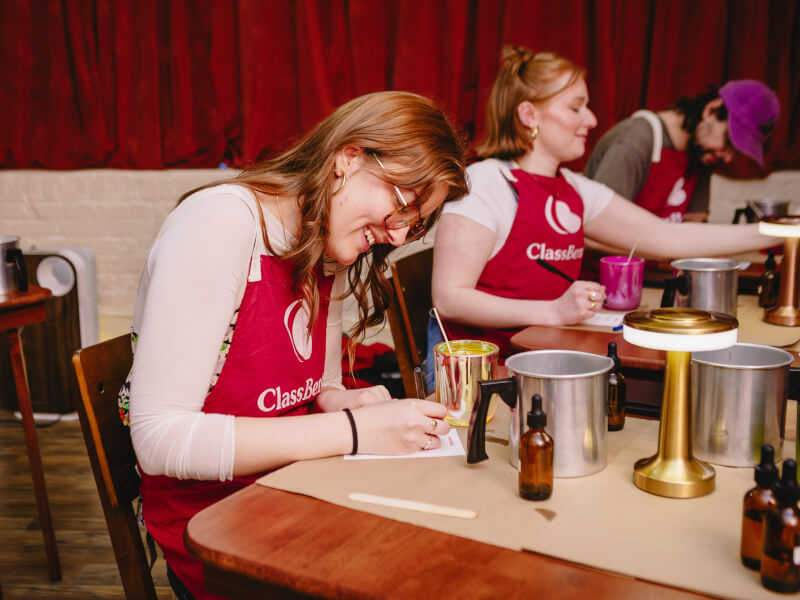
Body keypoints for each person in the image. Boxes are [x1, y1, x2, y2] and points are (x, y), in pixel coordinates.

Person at [122, 91, 467, 599]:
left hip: (295, 493)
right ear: (348, 159)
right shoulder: (221, 224)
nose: (397, 236)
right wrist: (353, 429)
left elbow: (315, 385)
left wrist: (343, 400)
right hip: (215, 527)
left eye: (413, 225)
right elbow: (159, 441)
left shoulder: (327, 242)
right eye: (401, 205)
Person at [432, 46, 778, 358]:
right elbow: (449, 299)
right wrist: (552, 311)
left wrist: (778, 231)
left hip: (539, 352)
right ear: (529, 115)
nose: (592, 120)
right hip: (477, 367)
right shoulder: (486, 183)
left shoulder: (574, 188)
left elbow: (670, 239)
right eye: (576, 107)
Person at [584, 80, 780, 224]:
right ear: (711, 110)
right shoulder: (634, 143)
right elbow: (599, 227)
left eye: (737, 152)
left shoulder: (703, 155)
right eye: (729, 141)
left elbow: (694, 226)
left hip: (660, 274)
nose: (727, 157)